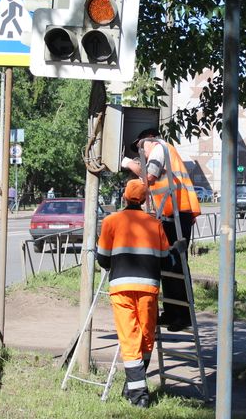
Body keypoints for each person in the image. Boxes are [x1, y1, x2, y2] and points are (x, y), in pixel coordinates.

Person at [96, 180, 174, 408]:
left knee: (130, 337)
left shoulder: (110, 221)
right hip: (148, 288)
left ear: (124, 197)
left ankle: (138, 394)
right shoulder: (154, 223)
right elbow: (166, 260)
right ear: (143, 200)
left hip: (121, 288)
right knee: (146, 336)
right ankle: (136, 387)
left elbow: (102, 259)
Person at [121, 128, 201, 332]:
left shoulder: (159, 148)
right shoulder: (161, 151)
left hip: (177, 213)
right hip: (171, 214)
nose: (142, 153)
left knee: (176, 264)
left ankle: (182, 315)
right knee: (167, 263)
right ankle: (172, 312)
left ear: (147, 140)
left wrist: (129, 164)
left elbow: (150, 178)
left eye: (140, 148)